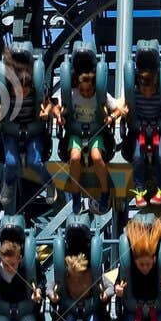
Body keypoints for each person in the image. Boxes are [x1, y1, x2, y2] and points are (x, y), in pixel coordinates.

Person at [54, 49, 119, 216]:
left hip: (95, 134)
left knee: (96, 156)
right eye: (83, 91)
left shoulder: (101, 95)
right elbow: (57, 106)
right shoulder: (72, 94)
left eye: (88, 91)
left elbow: (118, 109)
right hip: (76, 134)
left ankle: (105, 192)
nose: (85, 94)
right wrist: (59, 115)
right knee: (74, 157)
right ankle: (76, 195)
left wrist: (111, 117)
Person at [0, 45, 56, 211]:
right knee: (11, 162)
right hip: (11, 131)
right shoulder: (3, 90)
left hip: (33, 130)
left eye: (25, 89)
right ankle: (7, 185)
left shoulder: (38, 88)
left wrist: (46, 111)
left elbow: (49, 104)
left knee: (35, 161)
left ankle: (49, 184)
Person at [116, 44, 161, 207]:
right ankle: (139, 190)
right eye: (144, 89)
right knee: (137, 156)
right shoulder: (135, 92)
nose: (146, 93)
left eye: (149, 89)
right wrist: (121, 112)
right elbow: (125, 107)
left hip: (159, 130)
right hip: (141, 131)